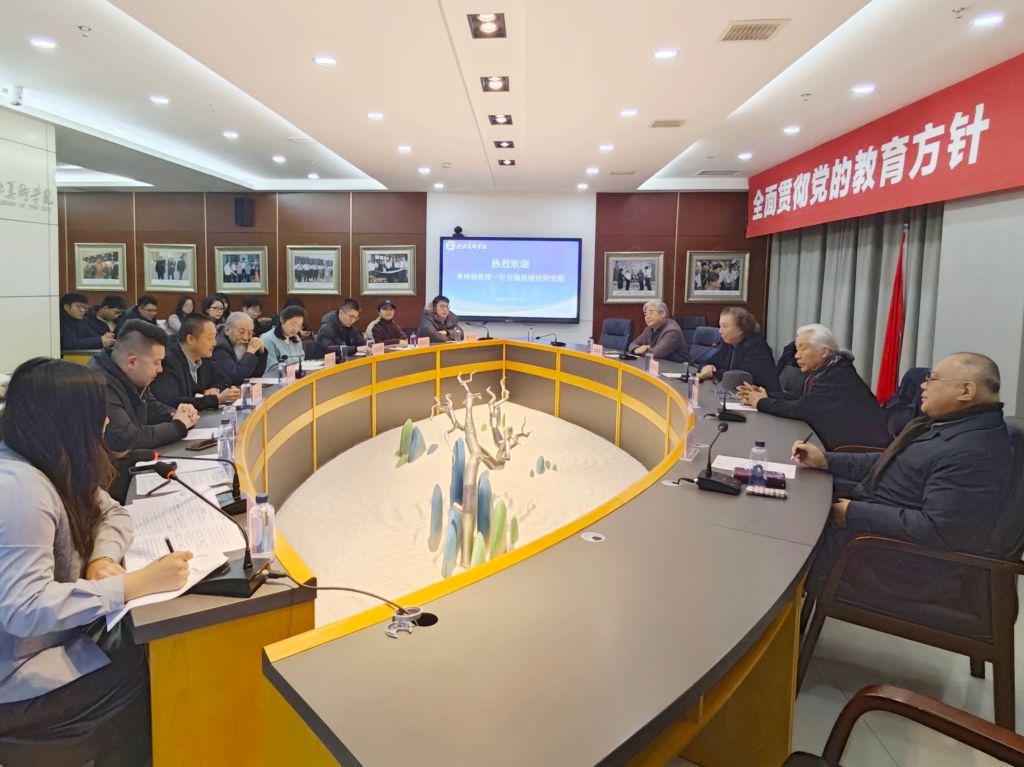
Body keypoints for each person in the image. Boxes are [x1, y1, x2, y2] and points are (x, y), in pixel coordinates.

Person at [0, 358, 192, 764]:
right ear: (67, 418)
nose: (105, 422)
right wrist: (128, 586)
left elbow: (113, 513)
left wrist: (101, 560)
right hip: (15, 680)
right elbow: (22, 609)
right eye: (97, 412)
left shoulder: (50, 459)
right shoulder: (20, 491)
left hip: (50, 642)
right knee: (153, 666)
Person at [794, 352, 1013, 598]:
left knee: (785, 532)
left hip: (895, 564)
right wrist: (826, 460)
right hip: (870, 525)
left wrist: (852, 512)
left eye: (932, 379)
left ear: (966, 391)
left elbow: (936, 529)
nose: (922, 386)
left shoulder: (974, 451)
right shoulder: (951, 425)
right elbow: (891, 461)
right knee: (792, 490)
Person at [87, 320, 200, 501]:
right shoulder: (99, 383)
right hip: (107, 485)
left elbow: (151, 406)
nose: (160, 369)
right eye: (157, 363)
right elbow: (126, 437)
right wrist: (179, 426)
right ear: (132, 361)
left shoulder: (130, 375)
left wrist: (177, 413)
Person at [737, 324, 890, 450]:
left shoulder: (838, 376)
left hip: (857, 450)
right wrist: (767, 396)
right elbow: (803, 400)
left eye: (802, 348)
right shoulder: (828, 369)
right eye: (797, 349)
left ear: (824, 352)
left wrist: (761, 402)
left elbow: (801, 409)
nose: (796, 355)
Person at [150, 314, 240, 411]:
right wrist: (217, 399)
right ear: (191, 339)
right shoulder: (167, 362)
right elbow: (172, 401)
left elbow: (222, 380)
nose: (215, 343)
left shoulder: (203, 358)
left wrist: (215, 389)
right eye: (210, 338)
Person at [697, 307, 780, 391]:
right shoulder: (729, 344)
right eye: (720, 326)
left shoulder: (756, 347)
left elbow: (738, 377)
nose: (720, 331)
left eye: (725, 326)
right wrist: (706, 367)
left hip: (762, 395)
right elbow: (710, 361)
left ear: (741, 329)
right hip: (735, 393)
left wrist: (712, 372)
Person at [211, 312, 268, 386]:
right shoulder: (219, 347)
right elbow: (236, 378)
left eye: (250, 333)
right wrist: (250, 353)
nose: (246, 338)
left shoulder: (244, 342)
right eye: (241, 332)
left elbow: (257, 375)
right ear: (227, 330)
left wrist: (261, 352)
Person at [262, 305, 307, 375]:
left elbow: (301, 361)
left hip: (296, 377)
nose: (295, 329)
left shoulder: (296, 338)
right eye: (293, 324)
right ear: (282, 319)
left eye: (299, 325)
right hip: (277, 379)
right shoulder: (267, 339)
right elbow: (271, 369)